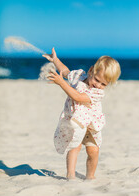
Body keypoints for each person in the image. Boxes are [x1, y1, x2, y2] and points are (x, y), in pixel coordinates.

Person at [43, 48, 121, 180]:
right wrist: (55, 60)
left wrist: (61, 83)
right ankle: (71, 175)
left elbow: (78, 97)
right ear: (91, 71)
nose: (98, 85)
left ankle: (90, 176)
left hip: (90, 124)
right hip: (76, 121)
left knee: (93, 151)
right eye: (96, 80)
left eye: (103, 84)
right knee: (74, 146)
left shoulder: (97, 93)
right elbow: (66, 71)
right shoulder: (79, 77)